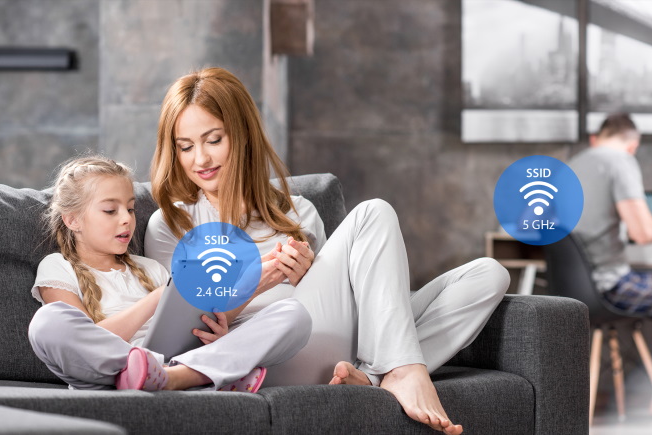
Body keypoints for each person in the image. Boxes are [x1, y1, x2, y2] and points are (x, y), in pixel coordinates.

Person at [145, 67, 510, 434]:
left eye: (213, 140)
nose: (201, 159)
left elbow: (341, 297)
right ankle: (403, 369)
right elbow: (174, 340)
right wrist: (260, 280)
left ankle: (372, 375)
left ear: (241, 136)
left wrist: (308, 276)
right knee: (372, 212)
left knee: (489, 275)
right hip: (267, 351)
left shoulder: (298, 211)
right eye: (186, 146)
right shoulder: (170, 225)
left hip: (345, 342)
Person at [27, 155, 312, 392]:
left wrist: (217, 332)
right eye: (110, 210)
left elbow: (184, 328)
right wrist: (157, 298)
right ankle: (195, 373)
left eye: (129, 208)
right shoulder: (57, 266)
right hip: (104, 365)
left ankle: (175, 376)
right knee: (47, 323)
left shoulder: (150, 268)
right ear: (72, 219)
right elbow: (89, 337)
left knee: (293, 315)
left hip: (172, 359)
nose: (127, 219)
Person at [569, 113, 652, 316]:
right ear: (633, 146)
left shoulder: (572, 165)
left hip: (572, 287)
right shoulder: (620, 161)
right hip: (611, 287)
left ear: (595, 139)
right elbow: (643, 234)